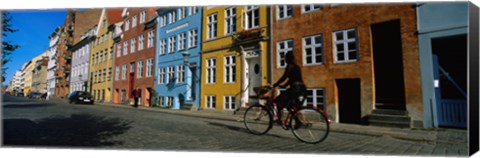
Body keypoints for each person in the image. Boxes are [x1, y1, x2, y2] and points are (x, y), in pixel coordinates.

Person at [271, 52, 306, 124]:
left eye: (285, 58)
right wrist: (284, 86)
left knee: (278, 101)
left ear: (287, 59)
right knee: (290, 106)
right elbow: (292, 79)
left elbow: (284, 77)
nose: (285, 60)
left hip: (295, 89)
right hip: (302, 88)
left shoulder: (289, 66)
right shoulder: (297, 66)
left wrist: (275, 84)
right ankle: (298, 121)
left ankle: (279, 120)